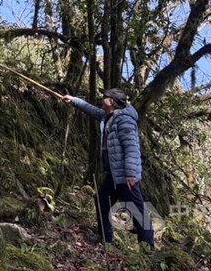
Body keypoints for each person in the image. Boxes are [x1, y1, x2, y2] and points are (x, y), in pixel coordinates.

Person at [63, 87, 155, 249]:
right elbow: (93, 111)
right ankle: (106, 239)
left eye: (104, 97)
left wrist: (131, 173)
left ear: (111, 101)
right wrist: (74, 100)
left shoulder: (124, 120)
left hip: (125, 175)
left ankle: (148, 249)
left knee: (138, 211)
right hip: (114, 173)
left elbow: (131, 147)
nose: (101, 99)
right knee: (102, 199)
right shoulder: (110, 116)